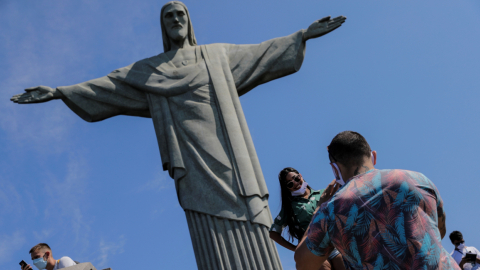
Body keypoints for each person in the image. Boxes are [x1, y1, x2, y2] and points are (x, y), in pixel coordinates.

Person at [10, 1, 346, 269]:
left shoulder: (216, 55)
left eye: (180, 13)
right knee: (207, 226)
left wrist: (302, 35)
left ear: (188, 20)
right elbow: (107, 86)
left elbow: (261, 52)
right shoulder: (149, 71)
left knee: (251, 212)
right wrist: (58, 92)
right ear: (163, 25)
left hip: (232, 156)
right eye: (168, 15)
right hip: (192, 162)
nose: (175, 19)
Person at [294, 131, 459, 270]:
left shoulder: (331, 209)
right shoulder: (417, 178)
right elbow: (440, 230)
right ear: (373, 155)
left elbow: (304, 263)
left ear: (335, 169)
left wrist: (318, 208)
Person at [270, 167, 346, 270]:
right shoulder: (289, 208)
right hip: (312, 251)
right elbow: (273, 233)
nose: (296, 183)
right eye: (290, 184)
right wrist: (296, 249)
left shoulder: (323, 193)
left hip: (335, 246)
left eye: (296, 178)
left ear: (300, 175)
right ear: (287, 188)